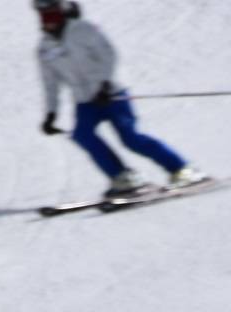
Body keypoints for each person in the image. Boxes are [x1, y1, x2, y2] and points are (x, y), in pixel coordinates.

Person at [34, 0, 204, 200]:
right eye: (43, 14)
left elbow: (109, 55)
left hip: (112, 95)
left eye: (51, 13)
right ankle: (124, 178)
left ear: (63, 13)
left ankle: (182, 169)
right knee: (82, 135)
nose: (47, 19)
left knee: (130, 138)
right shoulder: (44, 49)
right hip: (85, 102)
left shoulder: (84, 30)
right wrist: (51, 113)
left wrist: (105, 85)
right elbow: (50, 84)